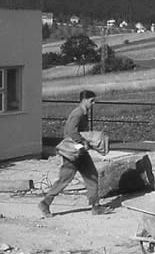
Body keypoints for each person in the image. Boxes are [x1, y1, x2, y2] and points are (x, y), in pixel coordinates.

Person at [38, 90, 110, 218]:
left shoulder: (83, 112)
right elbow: (70, 131)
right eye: (91, 101)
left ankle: (95, 206)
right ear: (84, 100)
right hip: (73, 152)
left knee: (91, 176)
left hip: (79, 151)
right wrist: (82, 142)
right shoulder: (78, 113)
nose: (93, 104)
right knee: (66, 179)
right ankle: (45, 202)